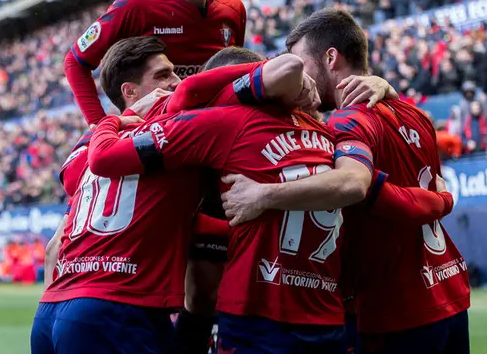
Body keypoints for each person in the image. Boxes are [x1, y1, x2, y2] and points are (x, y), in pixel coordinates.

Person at [84, 39, 455, 354]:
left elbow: (103, 159)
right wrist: (442, 201)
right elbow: (367, 188)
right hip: (322, 310)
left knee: (200, 289)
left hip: (261, 312)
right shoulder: (325, 129)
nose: (176, 81)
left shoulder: (218, 122)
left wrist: (110, 122)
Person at [32, 36, 329, 354]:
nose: (176, 80)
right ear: (130, 91)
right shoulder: (189, 121)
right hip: (115, 308)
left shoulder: (94, 140)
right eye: (163, 75)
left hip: (55, 310)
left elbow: (56, 244)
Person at [222, 8, 470, 354]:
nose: (296, 78)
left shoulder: (346, 123)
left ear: (330, 58)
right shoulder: (414, 113)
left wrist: (263, 195)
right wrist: (443, 201)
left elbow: (357, 186)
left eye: (299, 64)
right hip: (449, 292)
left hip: (395, 309)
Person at [65, 0, 246, 126]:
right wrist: (99, 126)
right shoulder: (136, 6)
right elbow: (75, 62)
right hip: (160, 138)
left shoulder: (233, 9)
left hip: (218, 129)